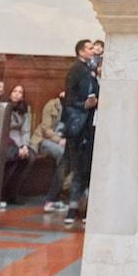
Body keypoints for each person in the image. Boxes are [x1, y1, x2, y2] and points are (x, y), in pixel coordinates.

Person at [62, 38, 101, 225]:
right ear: (80, 51)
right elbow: (70, 96)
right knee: (79, 168)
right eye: (89, 48)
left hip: (88, 124)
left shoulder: (89, 70)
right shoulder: (77, 69)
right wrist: (83, 104)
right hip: (80, 125)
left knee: (87, 167)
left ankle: (82, 208)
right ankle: (73, 208)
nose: (93, 50)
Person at [34, 91, 71, 211]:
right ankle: (52, 198)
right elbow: (45, 129)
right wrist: (59, 140)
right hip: (44, 140)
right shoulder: (53, 105)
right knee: (63, 155)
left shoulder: (74, 108)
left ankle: (60, 194)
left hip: (64, 142)